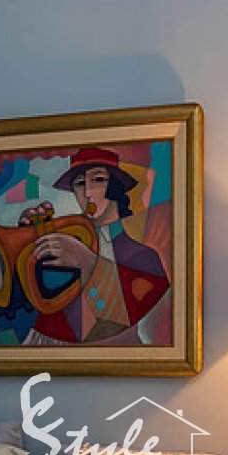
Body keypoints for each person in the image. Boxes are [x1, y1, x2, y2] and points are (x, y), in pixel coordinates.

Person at [26, 147, 170, 344]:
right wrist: (28, 238)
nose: (87, 193)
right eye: (80, 184)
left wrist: (88, 262)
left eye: (99, 180)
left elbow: (130, 313)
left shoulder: (145, 255)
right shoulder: (69, 243)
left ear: (116, 186)